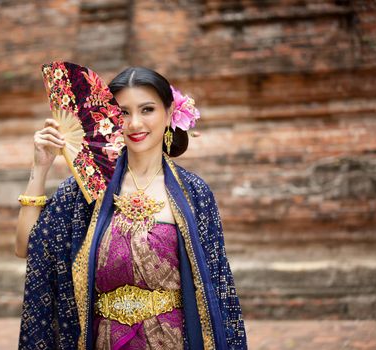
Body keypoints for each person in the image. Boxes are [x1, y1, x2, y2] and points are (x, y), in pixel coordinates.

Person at [14, 66, 248, 349]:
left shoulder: (194, 193)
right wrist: (40, 168)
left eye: (147, 109)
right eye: (123, 112)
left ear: (169, 111)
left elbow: (218, 288)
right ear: (109, 119)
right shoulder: (86, 190)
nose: (135, 123)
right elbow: (26, 247)